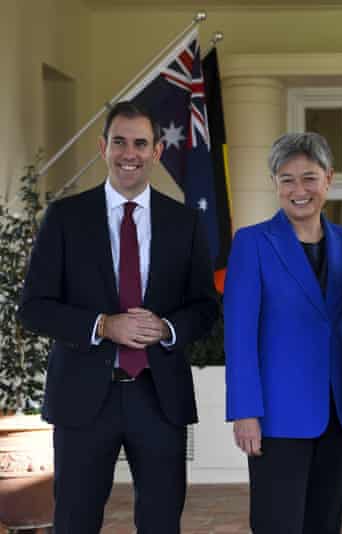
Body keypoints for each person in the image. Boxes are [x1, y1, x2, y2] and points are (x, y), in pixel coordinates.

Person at [18, 101, 218, 533]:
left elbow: (205, 306)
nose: (130, 153)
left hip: (159, 396)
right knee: (74, 521)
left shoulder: (184, 222)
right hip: (84, 398)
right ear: (102, 147)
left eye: (141, 144)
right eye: (120, 142)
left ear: (157, 151)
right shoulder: (66, 217)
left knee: (162, 521)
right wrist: (102, 325)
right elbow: (33, 307)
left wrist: (167, 329)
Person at [224, 132, 342, 534]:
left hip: (338, 413)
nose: (299, 190)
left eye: (309, 178)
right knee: (277, 524)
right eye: (287, 179)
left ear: (328, 179)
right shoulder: (252, 243)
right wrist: (245, 411)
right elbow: (239, 333)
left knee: (325, 523)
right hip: (277, 417)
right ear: (275, 185)